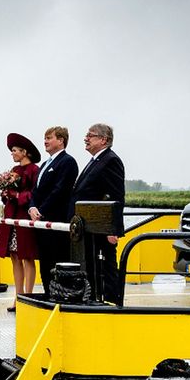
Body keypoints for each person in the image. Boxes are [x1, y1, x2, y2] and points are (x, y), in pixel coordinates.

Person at [71, 123, 125, 303]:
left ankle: (112, 301)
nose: (86, 138)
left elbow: (116, 196)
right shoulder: (94, 161)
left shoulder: (111, 160)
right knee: (92, 264)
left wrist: (112, 229)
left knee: (107, 265)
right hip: (88, 225)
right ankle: (93, 298)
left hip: (103, 226)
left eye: (90, 135)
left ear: (103, 140)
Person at [0, 132, 41, 310]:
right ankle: (18, 297)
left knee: (27, 256)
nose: (12, 154)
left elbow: (35, 194)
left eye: (14, 150)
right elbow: (7, 196)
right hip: (12, 217)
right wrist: (5, 193)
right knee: (14, 256)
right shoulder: (14, 171)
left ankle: (28, 296)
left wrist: (16, 195)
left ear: (24, 152)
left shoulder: (34, 170)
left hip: (24, 217)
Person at [27, 126, 78, 296]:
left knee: (57, 258)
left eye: (49, 138)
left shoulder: (67, 162)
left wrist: (41, 210)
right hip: (41, 222)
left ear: (61, 140)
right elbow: (36, 190)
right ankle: (48, 292)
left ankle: (60, 294)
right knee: (45, 260)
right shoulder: (44, 164)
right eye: (45, 138)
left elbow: (60, 190)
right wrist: (32, 207)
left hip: (56, 221)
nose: (45, 142)